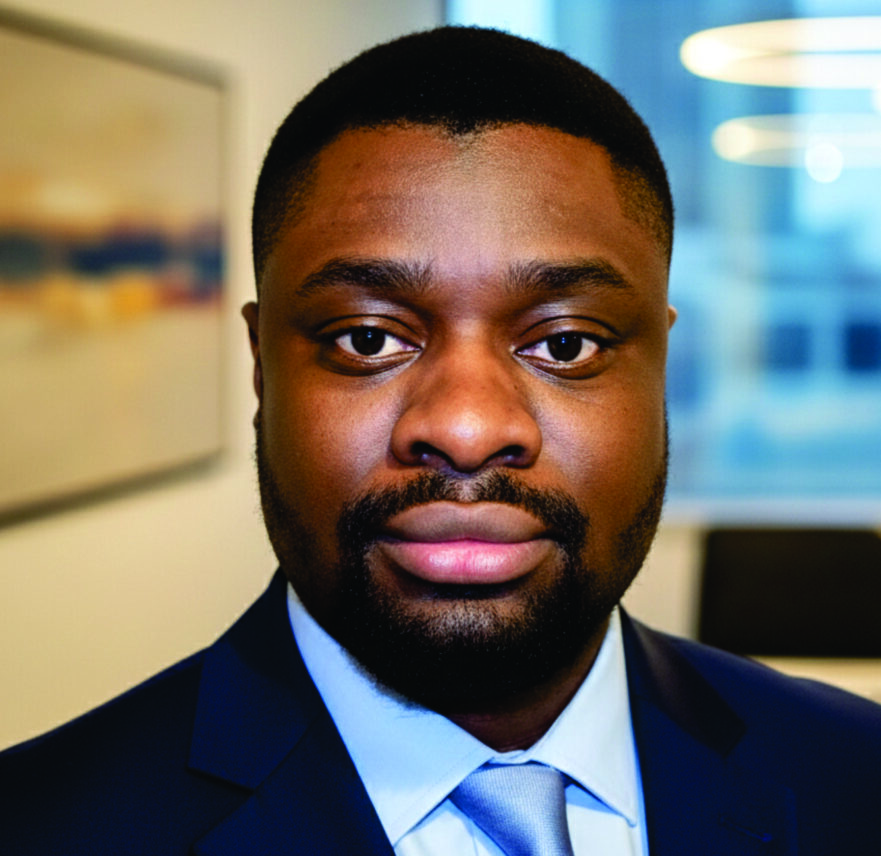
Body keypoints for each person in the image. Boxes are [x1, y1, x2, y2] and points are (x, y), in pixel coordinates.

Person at [2, 26, 880, 855]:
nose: (465, 429)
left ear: (659, 370)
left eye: (565, 345)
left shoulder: (854, 775)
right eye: (366, 339)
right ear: (262, 369)